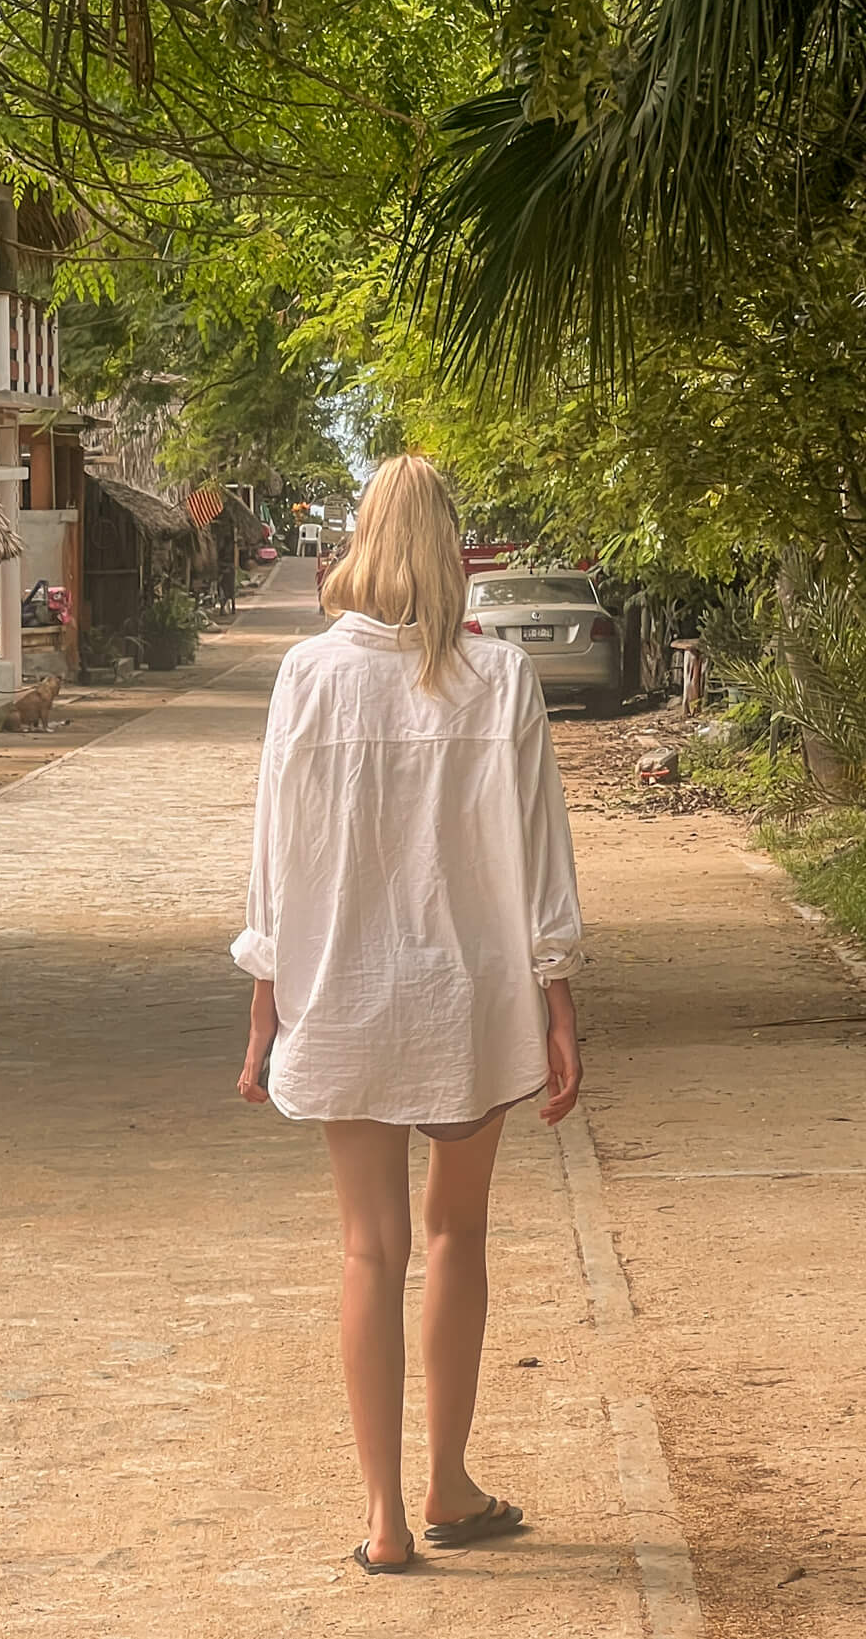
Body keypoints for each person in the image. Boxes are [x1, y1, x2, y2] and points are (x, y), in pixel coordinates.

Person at [232, 453, 584, 1576]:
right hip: (468, 1002)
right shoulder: (504, 676)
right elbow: (540, 864)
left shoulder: (306, 675)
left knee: (366, 1249)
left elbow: (274, 863)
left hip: (343, 993)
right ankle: (449, 1483)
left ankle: (383, 1517)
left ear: (360, 541)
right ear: (449, 550)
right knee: (454, 1234)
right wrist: (557, 1000)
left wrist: (263, 1003)